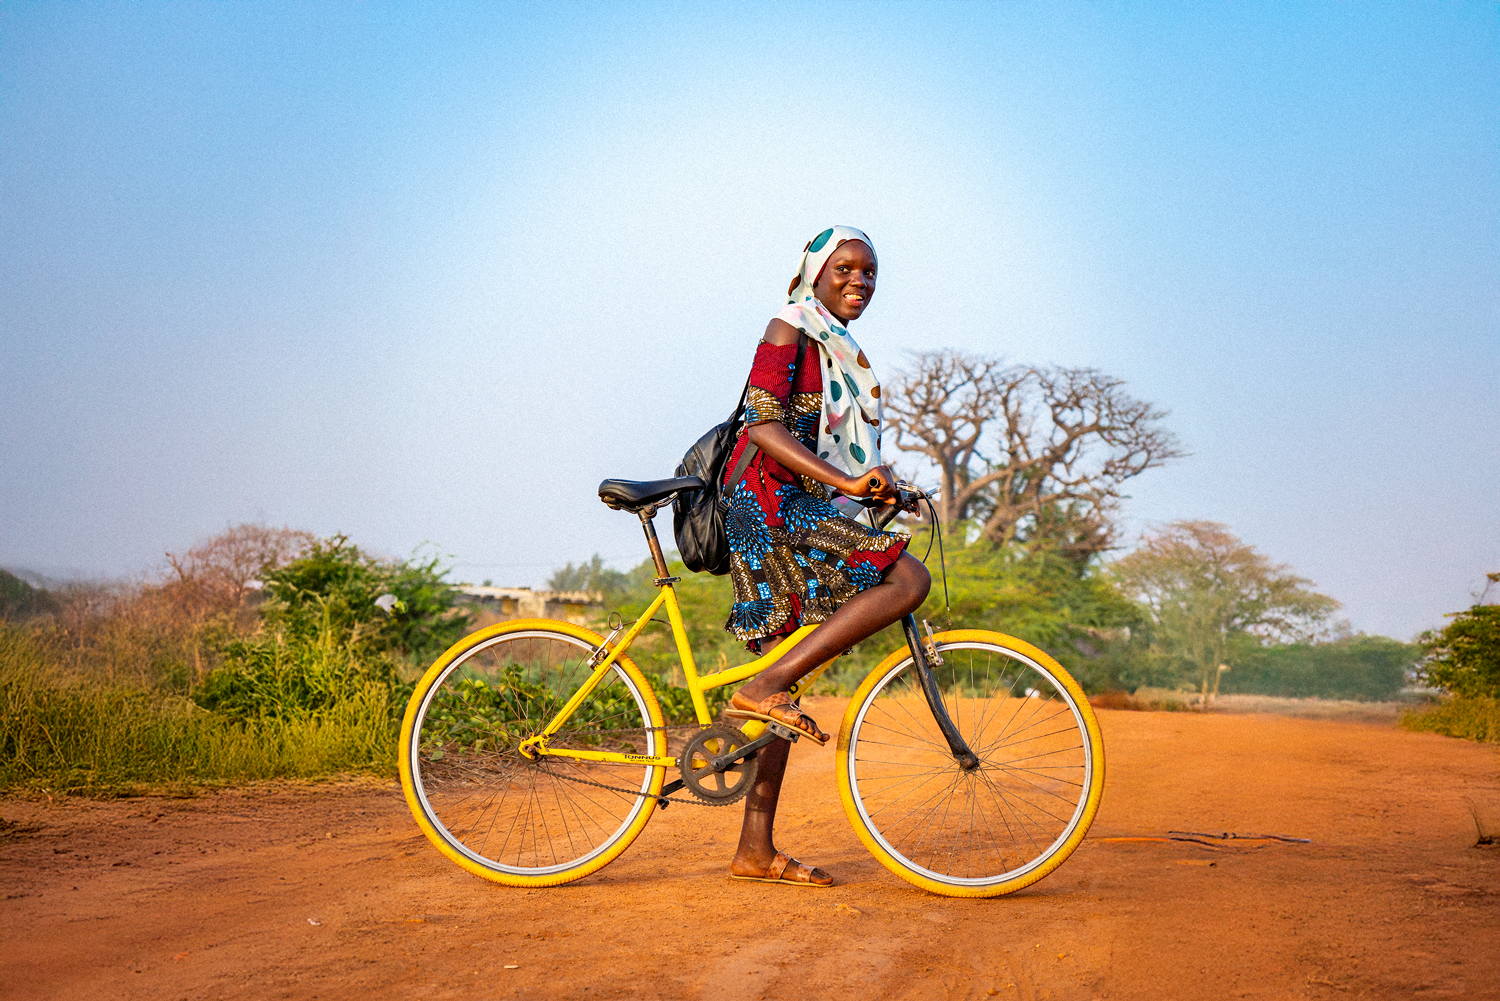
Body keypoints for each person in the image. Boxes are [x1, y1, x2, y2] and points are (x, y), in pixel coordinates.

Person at [720, 226, 931, 886]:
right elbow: (762, 423)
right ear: (815, 271)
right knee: (906, 574)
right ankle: (757, 689)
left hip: (798, 498)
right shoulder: (790, 327)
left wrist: (881, 486)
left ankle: (754, 849)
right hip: (763, 498)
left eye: (869, 273)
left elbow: (840, 452)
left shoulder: (841, 349)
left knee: (788, 673)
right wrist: (845, 486)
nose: (858, 282)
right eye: (845, 268)